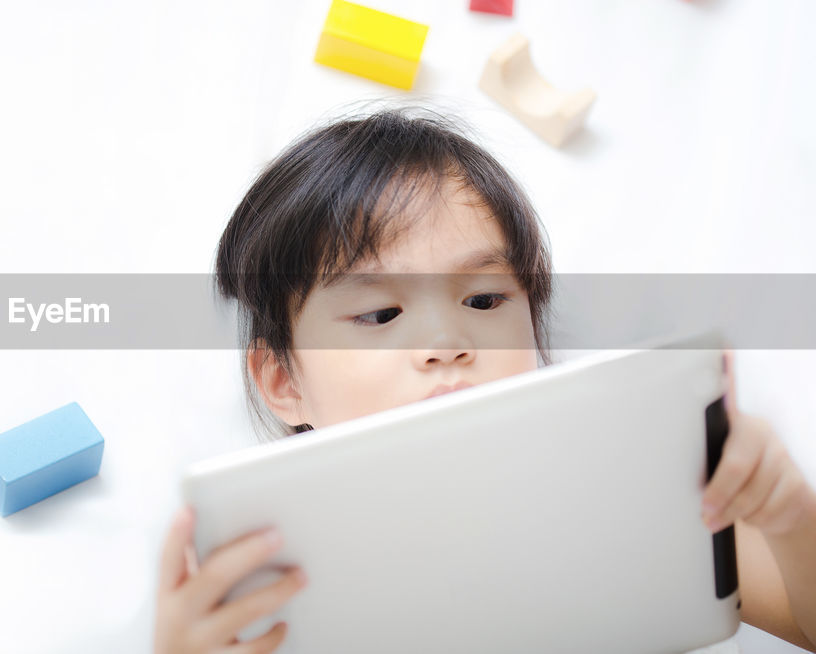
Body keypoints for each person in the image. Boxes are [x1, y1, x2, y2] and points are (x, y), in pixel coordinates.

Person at [153, 109, 816, 653]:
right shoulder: (268, 573)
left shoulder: (621, 470)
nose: (446, 345)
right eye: (380, 313)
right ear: (282, 381)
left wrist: (788, 517)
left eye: (483, 301)